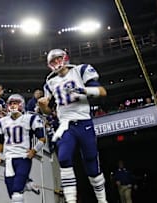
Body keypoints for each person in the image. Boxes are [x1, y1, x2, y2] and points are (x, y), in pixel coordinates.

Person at [38, 49, 108, 203]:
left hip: (83, 122)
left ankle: (102, 199)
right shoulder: (50, 83)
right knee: (63, 158)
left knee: (91, 162)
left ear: (66, 58)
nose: (57, 63)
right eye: (53, 61)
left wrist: (82, 90)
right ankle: (71, 200)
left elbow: (102, 92)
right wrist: (42, 106)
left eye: (59, 59)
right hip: (65, 125)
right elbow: (49, 111)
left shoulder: (81, 70)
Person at [0, 94, 46, 203]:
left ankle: (24, 183)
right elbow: (0, 141)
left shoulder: (30, 118)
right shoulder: (2, 121)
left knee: (16, 193)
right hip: (8, 158)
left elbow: (42, 138)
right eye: (11, 103)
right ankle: (27, 183)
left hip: (23, 157)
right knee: (11, 192)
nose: (13, 106)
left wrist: (34, 150)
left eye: (15, 103)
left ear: (21, 105)